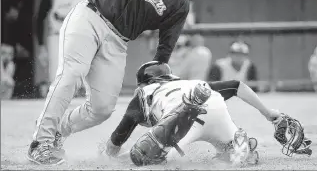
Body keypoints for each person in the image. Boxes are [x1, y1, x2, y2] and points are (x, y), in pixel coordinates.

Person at [27, 0, 191, 165]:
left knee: (102, 109)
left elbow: (167, 43)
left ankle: (57, 131)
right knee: (72, 73)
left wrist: (157, 74)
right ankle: (40, 142)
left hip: (117, 41)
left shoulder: (179, 0)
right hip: (89, 17)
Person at [100, 61, 312, 167]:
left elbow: (117, 138)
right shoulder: (189, 82)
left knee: (146, 158)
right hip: (215, 106)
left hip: (182, 121)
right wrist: (269, 113)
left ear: (142, 83)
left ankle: (183, 120)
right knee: (224, 156)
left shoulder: (144, 93)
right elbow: (238, 86)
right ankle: (235, 146)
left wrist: (111, 156)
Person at [36, 0, 95, 97]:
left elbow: (99, 15)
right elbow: (39, 18)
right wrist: (41, 47)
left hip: (82, 36)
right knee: (57, 76)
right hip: (57, 36)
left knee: (85, 73)